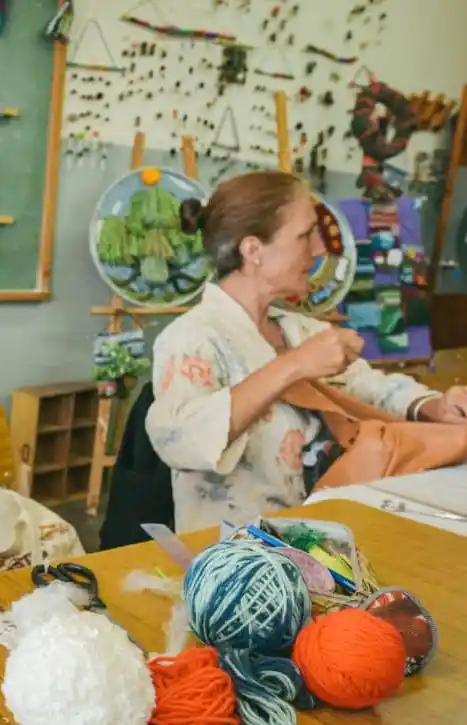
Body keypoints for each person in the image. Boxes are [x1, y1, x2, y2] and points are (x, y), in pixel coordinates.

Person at [145, 170, 467, 533]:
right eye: (305, 236)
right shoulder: (191, 338)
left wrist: (432, 406)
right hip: (241, 553)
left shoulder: (298, 329)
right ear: (253, 251)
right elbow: (179, 441)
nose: (319, 249)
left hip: (322, 541)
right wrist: (293, 366)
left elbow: (366, 385)